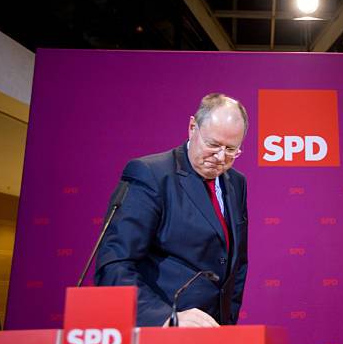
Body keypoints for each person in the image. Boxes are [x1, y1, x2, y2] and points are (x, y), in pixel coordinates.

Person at [95, 93, 248, 328]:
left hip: (214, 336)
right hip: (160, 333)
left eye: (231, 150)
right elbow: (115, 264)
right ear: (192, 127)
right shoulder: (150, 174)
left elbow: (236, 262)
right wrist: (165, 318)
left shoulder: (236, 182)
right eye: (213, 145)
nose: (220, 157)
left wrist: (227, 323)